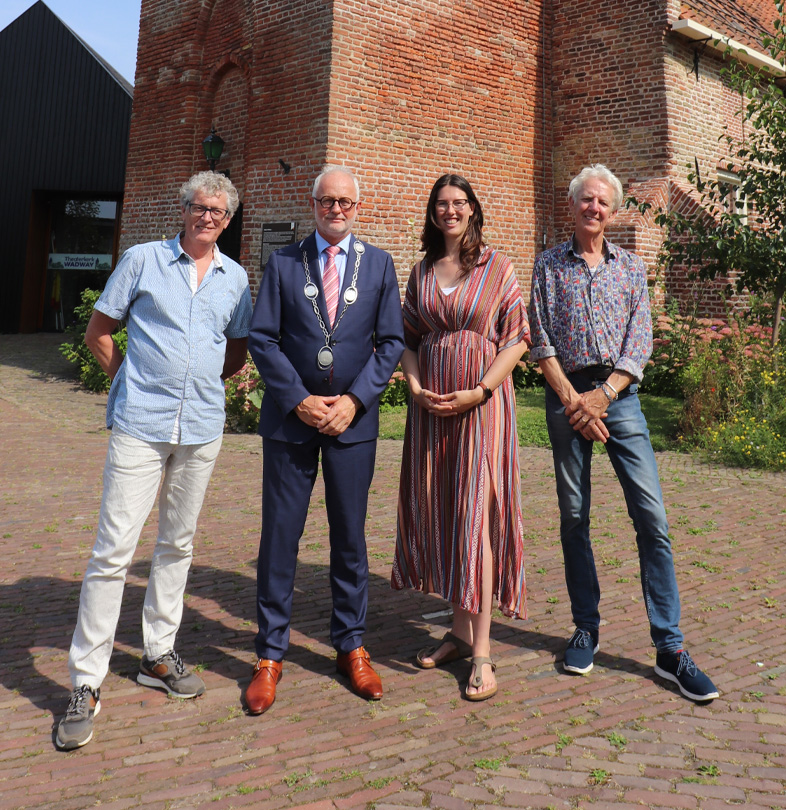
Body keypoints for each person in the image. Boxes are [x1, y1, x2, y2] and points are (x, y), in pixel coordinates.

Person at [54, 171, 253, 750]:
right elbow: (99, 331)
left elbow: (236, 350)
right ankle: (86, 683)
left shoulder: (234, 278)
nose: (207, 216)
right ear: (182, 209)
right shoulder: (142, 260)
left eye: (217, 210)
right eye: (198, 206)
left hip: (200, 430)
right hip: (140, 427)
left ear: (228, 218)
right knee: (113, 550)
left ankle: (158, 654)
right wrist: (130, 381)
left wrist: (200, 386)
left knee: (178, 544)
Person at [528, 164, 718, 702]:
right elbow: (539, 340)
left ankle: (670, 648)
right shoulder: (546, 266)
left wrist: (602, 397)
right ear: (572, 206)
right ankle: (585, 628)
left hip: (620, 398)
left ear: (613, 211)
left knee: (651, 517)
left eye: (602, 202)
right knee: (573, 515)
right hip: (566, 397)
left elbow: (640, 344)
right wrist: (574, 401)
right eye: (585, 199)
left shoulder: (632, 268)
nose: (593, 208)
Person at [245, 165, 405, 715]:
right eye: (326, 201)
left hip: (352, 424)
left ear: (358, 209)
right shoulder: (284, 262)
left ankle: (352, 645)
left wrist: (356, 401)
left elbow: (390, 343)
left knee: (350, 538)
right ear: (312, 204)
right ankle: (269, 654)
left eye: (345, 203)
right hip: (293, 422)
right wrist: (300, 399)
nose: (336, 210)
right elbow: (262, 339)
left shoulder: (380, 265)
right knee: (280, 538)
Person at [390, 175, 530, 701]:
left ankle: (483, 654)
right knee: (446, 510)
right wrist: (415, 383)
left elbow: (516, 339)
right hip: (431, 407)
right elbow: (405, 338)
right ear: (433, 213)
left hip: (480, 405)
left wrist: (481, 390)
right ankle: (456, 630)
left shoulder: (497, 266)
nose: (449, 211)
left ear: (473, 210)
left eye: (458, 203)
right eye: (441, 204)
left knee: (477, 515)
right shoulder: (423, 271)